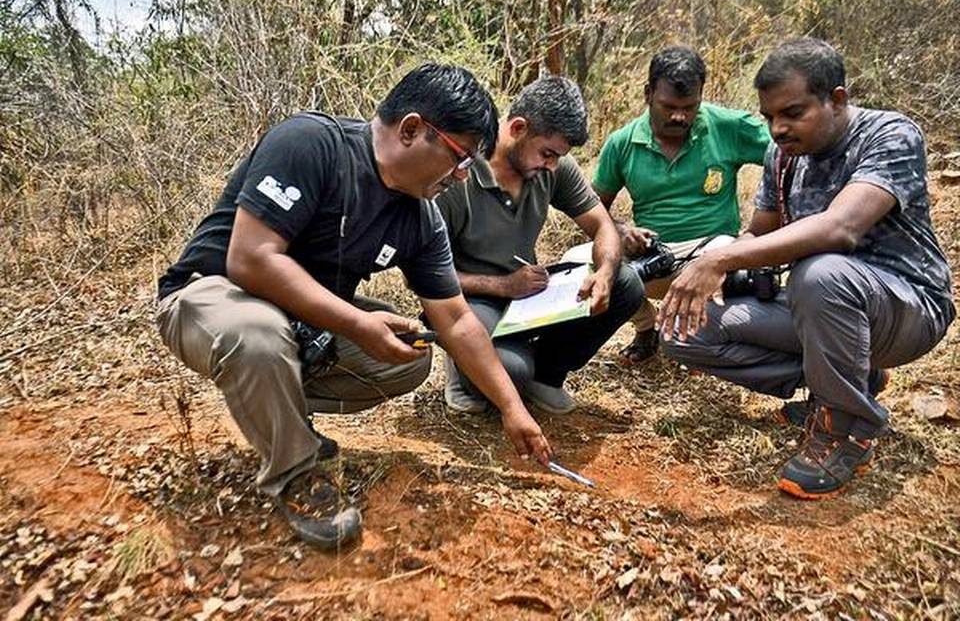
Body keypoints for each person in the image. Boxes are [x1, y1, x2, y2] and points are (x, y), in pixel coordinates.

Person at [155, 64, 553, 549]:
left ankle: (277, 414)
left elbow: (456, 319)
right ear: (411, 129)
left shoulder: (421, 217)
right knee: (257, 337)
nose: (462, 177)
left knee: (410, 357)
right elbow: (251, 259)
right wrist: (358, 323)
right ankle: (297, 474)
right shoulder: (310, 144)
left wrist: (512, 408)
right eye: (460, 158)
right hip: (212, 294)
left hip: (295, 320)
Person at [659, 38, 955, 499]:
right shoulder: (782, 157)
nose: (778, 128)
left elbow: (842, 228)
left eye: (792, 113)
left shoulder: (890, 135)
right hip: (815, 308)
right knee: (682, 332)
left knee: (822, 273)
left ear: (836, 99)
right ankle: (848, 383)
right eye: (769, 117)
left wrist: (721, 258)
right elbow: (759, 232)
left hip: (906, 307)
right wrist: (724, 268)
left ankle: (846, 427)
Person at [436, 76, 645, 414]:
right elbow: (425, 275)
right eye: (547, 154)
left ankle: (545, 375)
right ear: (518, 127)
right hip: (470, 300)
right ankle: (467, 366)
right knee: (511, 371)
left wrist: (605, 272)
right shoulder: (458, 174)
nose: (552, 166)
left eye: (558, 157)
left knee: (626, 284)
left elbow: (602, 225)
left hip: (528, 295)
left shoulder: (554, 165)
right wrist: (502, 285)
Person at [584, 45, 771, 363]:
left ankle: (710, 336)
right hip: (651, 259)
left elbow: (790, 155)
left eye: (689, 106)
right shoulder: (622, 143)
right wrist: (621, 230)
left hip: (713, 256)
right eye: (668, 106)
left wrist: (773, 214)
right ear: (647, 94)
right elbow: (591, 212)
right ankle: (646, 327)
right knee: (576, 265)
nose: (679, 116)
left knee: (732, 254)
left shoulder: (729, 127)